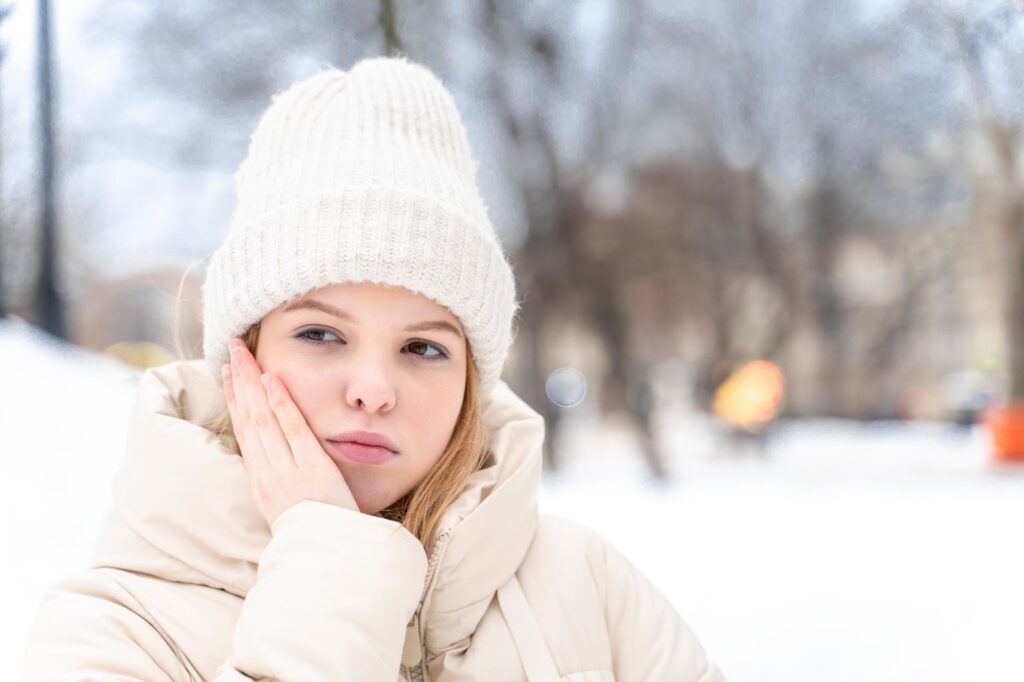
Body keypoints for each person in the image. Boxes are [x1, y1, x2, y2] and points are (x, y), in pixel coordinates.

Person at [21, 56, 726, 682]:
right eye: (322, 333)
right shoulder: (112, 632)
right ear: (244, 349)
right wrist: (332, 568)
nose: (373, 391)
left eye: (424, 348)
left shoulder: (586, 588)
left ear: (471, 382)